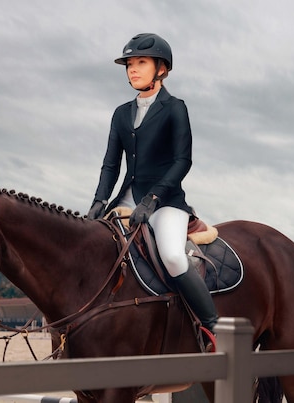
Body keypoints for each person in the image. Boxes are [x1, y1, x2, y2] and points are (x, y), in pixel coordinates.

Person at [87, 33, 218, 333]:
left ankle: (213, 327)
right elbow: (110, 164)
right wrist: (99, 201)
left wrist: (153, 199)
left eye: (141, 63)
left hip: (166, 202)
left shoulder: (175, 108)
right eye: (129, 64)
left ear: (161, 69)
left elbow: (182, 161)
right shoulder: (121, 114)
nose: (132, 69)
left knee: (172, 256)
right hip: (125, 201)